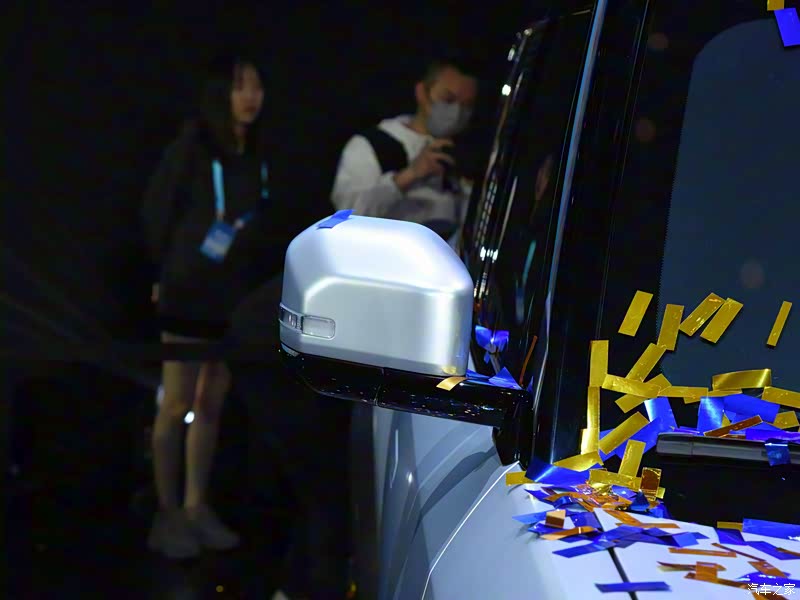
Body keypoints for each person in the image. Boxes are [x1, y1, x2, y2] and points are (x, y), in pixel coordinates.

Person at [140, 52, 284, 559]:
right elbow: (158, 211)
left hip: (232, 298)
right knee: (175, 402)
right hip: (188, 291)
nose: (251, 97)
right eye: (240, 86)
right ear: (220, 92)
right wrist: (160, 273)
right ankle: (167, 512)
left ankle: (197, 506)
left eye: (257, 87)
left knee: (210, 404)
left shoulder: (256, 152)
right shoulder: (195, 145)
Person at [331, 53, 479, 240]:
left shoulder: (468, 156)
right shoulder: (373, 145)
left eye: (466, 105)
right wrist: (409, 176)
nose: (456, 112)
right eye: (448, 100)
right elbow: (344, 217)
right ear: (422, 93)